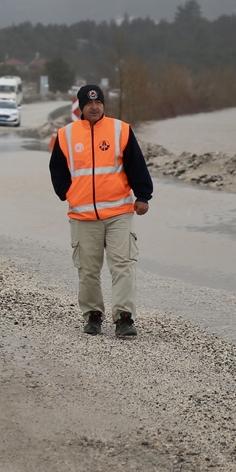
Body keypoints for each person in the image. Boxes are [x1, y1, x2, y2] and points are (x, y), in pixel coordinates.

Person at [49, 84, 153, 339]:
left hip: (119, 213)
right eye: (89, 103)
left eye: (98, 103)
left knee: (123, 266)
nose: (94, 107)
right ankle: (93, 316)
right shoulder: (66, 135)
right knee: (88, 269)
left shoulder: (121, 130)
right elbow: (57, 169)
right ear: (81, 107)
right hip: (83, 216)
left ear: (103, 105)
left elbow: (136, 165)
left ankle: (124, 319)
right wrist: (68, 193)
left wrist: (143, 196)